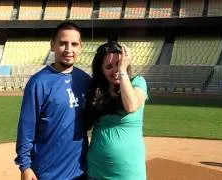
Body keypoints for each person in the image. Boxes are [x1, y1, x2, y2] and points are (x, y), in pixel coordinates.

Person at [14, 22, 91, 180]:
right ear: (52, 45)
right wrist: (25, 166)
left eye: (74, 44)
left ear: (80, 47)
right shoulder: (38, 83)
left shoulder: (85, 80)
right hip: (47, 173)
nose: (68, 49)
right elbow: (26, 129)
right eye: (63, 43)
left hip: (81, 172)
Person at [84, 41, 148, 179]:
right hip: (96, 170)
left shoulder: (138, 82)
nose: (115, 70)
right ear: (101, 70)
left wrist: (123, 71)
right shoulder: (97, 91)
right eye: (108, 66)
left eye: (119, 64)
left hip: (128, 172)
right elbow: (86, 125)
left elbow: (131, 106)